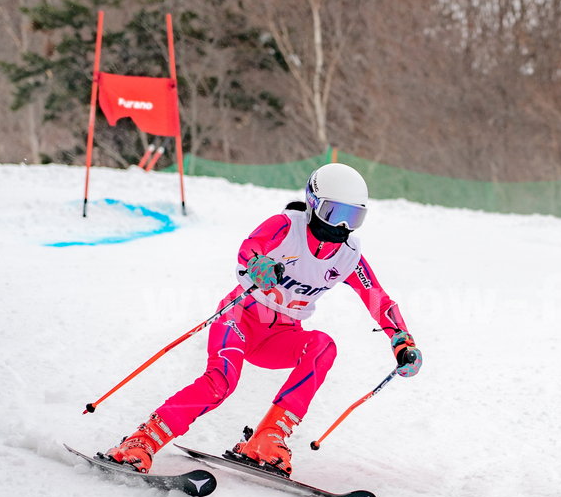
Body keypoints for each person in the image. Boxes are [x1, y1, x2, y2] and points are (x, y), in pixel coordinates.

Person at [104, 162, 421, 477]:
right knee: (221, 382)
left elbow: (377, 297)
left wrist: (401, 341)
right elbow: (249, 249)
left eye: (352, 217)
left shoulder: (348, 254)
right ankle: (141, 441)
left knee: (323, 347)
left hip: (281, 337)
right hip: (238, 321)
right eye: (333, 212)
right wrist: (258, 265)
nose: (341, 225)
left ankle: (268, 438)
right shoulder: (287, 227)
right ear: (312, 203)